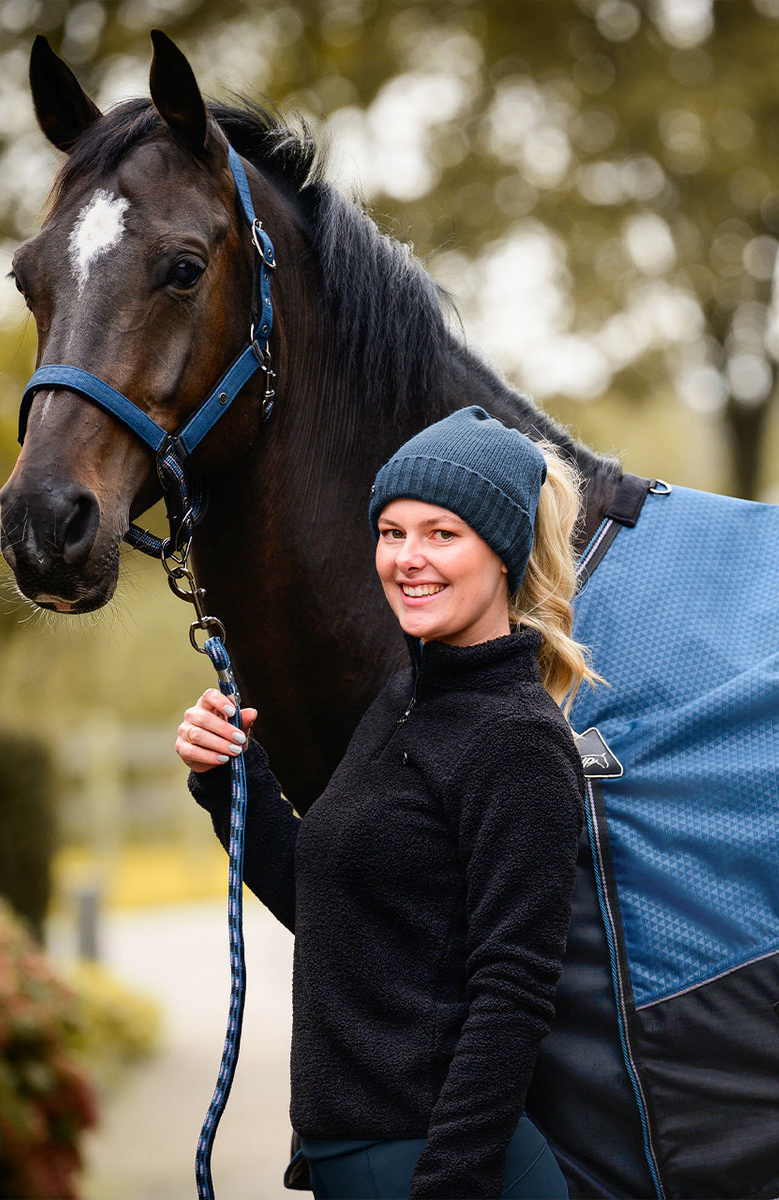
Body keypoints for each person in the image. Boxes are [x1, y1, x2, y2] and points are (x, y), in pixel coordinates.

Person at [176, 406, 597, 1199]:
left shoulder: (517, 741)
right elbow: (331, 910)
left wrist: (450, 1183)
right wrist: (235, 781)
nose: (409, 559)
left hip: (439, 1168)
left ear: (502, 552)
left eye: (442, 534)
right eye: (392, 532)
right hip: (358, 1160)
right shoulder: (403, 700)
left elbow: (513, 990)